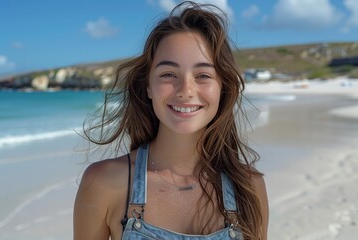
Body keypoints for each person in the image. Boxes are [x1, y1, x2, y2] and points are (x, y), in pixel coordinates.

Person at [73, 1, 268, 239]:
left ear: (222, 88)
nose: (185, 90)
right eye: (168, 74)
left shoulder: (248, 187)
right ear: (148, 87)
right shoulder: (103, 182)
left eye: (203, 75)